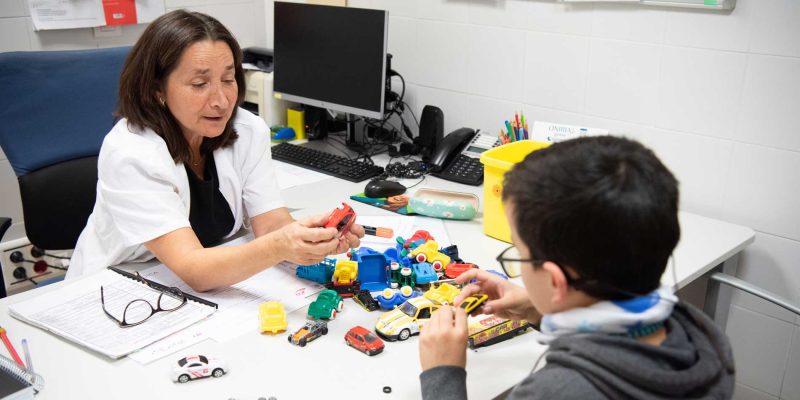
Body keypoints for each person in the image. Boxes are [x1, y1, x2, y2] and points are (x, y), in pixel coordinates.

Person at [418, 136, 735, 399]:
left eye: (518, 251)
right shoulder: (703, 338)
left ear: (557, 281)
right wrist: (540, 309)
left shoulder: (552, 393)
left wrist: (442, 373)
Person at [68, 10, 363, 291]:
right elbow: (195, 270)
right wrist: (281, 245)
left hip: (205, 283)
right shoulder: (131, 153)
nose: (221, 100)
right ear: (157, 90)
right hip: (120, 286)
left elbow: (271, 224)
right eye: (200, 84)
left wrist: (313, 238)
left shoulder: (247, 130)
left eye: (228, 79)